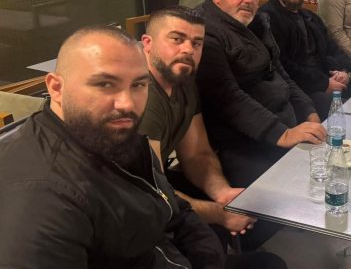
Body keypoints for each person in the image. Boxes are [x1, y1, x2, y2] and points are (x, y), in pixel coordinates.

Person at [0, 26, 225, 268]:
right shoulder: (41, 199)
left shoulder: (111, 134)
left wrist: (208, 256)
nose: (127, 104)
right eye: (105, 84)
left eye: (138, 85)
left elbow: (168, 204)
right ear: (56, 88)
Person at [196, 0, 326, 188]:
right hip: (243, 141)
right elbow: (228, 98)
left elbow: (280, 73)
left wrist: (309, 112)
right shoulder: (205, 33)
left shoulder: (256, 22)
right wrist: (283, 135)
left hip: (283, 121)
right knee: (294, 190)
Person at [139, 7, 257, 235]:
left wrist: (223, 194)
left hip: (155, 185)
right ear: (147, 43)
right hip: (122, 206)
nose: (188, 50)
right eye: (177, 39)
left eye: (196, 43)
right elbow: (151, 190)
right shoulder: (142, 95)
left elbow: (196, 153)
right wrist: (221, 214)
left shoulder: (183, 78)